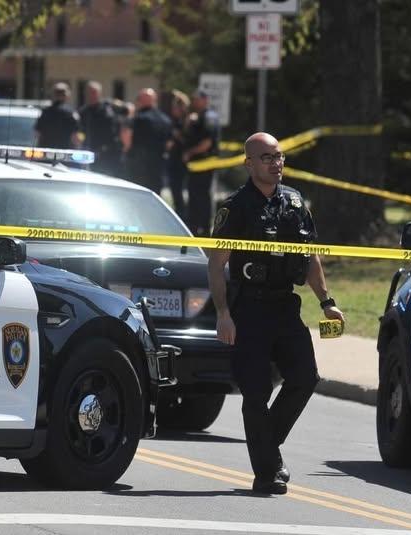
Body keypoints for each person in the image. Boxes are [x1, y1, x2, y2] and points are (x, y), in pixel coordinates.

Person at [208, 132, 345, 495]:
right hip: (248, 309)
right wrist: (223, 313)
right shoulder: (236, 207)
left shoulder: (295, 203)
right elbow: (216, 263)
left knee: (305, 377)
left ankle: (267, 445)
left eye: (279, 156)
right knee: (255, 393)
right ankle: (267, 472)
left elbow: (310, 257)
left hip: (285, 305)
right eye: (267, 157)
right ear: (248, 164)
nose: (276, 163)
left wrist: (327, 302)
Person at [182, 89, 220, 236]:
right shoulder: (198, 116)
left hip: (204, 164)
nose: (194, 102)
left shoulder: (209, 117)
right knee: (194, 195)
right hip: (196, 165)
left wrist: (190, 153)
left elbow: (207, 143)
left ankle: (203, 229)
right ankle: (194, 227)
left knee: (202, 197)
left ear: (205, 100)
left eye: (197, 99)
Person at [127, 88, 171, 193]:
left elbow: (127, 138)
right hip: (158, 165)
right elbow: (169, 144)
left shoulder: (139, 118)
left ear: (142, 100)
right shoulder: (166, 120)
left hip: (139, 165)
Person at [78, 81, 122, 176]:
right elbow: (80, 131)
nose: (91, 95)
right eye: (89, 93)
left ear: (99, 94)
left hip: (106, 153)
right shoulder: (83, 112)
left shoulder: (107, 110)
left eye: (94, 92)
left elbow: (113, 132)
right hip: (88, 153)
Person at [35, 82, 80, 149]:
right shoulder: (71, 113)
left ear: (53, 95)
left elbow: (38, 134)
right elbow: (75, 136)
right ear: (66, 95)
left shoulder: (45, 112)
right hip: (65, 151)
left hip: (47, 151)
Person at [167, 90, 191, 219]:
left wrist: (177, 137)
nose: (173, 109)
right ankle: (179, 213)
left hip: (180, 161)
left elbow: (187, 141)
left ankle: (182, 215)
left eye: (175, 107)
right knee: (174, 189)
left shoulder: (186, 122)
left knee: (178, 189)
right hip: (173, 159)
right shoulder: (174, 121)